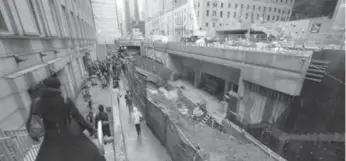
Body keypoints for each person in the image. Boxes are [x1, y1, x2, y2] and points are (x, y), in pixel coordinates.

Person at [26, 77, 105, 161]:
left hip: (51, 141)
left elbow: (30, 124)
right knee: (93, 155)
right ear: (58, 87)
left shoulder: (36, 103)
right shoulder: (65, 100)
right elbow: (79, 118)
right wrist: (92, 130)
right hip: (71, 136)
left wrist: (35, 137)